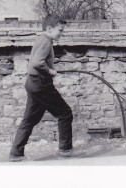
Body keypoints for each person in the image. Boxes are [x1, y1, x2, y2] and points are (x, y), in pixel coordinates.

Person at [9, 14, 84, 162]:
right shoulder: (46, 42)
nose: (61, 34)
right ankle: (65, 150)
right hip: (41, 84)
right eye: (60, 30)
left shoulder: (41, 39)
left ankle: (16, 153)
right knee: (65, 113)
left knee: (29, 119)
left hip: (33, 83)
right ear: (49, 28)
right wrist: (50, 71)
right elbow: (37, 63)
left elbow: (35, 62)